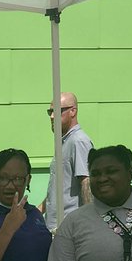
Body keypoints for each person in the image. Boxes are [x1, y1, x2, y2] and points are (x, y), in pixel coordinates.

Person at [41, 91, 92, 232]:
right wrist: (39, 210)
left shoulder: (79, 141)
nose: (52, 116)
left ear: (73, 111)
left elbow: (86, 182)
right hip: (56, 227)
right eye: (50, 111)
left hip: (70, 228)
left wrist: (92, 225)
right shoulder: (65, 142)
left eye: (57, 111)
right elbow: (60, 187)